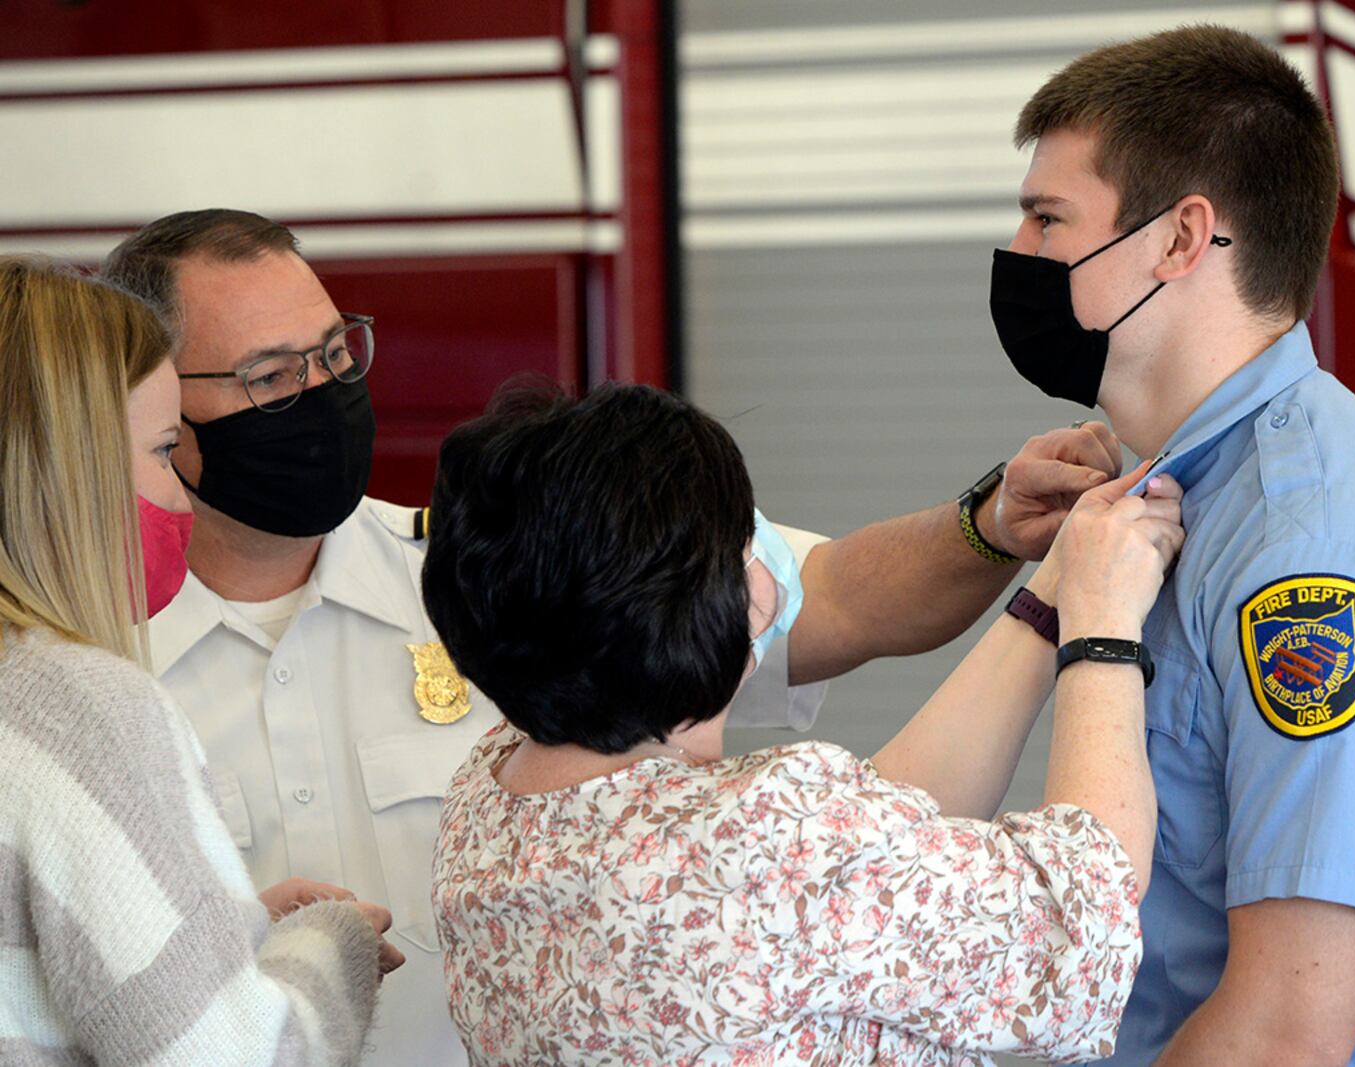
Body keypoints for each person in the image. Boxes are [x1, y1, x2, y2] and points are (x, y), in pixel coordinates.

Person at [100, 210, 1128, 1063]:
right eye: (275, 378)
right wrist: (1105, 633)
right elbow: (1083, 920)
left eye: (337, 353)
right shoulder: (88, 675)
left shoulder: (486, 743)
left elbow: (847, 623)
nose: (325, 394)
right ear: (152, 404)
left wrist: (1010, 553)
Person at [987, 25, 1355, 1065]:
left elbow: (1286, 1028)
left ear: (1181, 239)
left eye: (1045, 217)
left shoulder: (1313, 549)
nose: (1018, 254)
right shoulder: (1177, 492)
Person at [426, 381, 1184, 1065]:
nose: (767, 555)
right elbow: (1086, 899)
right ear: (704, 607)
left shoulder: (487, 802)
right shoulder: (763, 840)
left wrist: (1059, 584)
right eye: (743, 539)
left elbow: (883, 859)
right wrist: (1105, 628)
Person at [0, 258, 399, 1065]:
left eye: (333, 355)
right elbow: (231, 1054)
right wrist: (335, 939)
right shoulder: (77, 701)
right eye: (160, 449)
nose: (180, 496)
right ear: (66, 470)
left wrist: (223, 933)